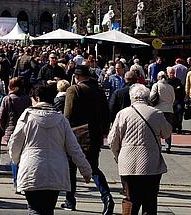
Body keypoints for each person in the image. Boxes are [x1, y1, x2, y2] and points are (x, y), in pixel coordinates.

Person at [8, 82, 92, 215]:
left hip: (32, 168)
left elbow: (15, 143)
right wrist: (86, 170)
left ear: (37, 98)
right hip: (56, 170)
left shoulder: (27, 117)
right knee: (48, 209)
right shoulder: (61, 120)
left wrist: (16, 160)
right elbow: (74, 148)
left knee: (34, 208)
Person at [108, 84, 172, 214]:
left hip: (127, 162)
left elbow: (112, 140)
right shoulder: (156, 113)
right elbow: (167, 133)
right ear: (147, 97)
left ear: (132, 97)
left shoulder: (123, 113)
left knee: (130, 198)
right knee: (150, 199)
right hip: (151, 163)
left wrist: (117, 155)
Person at [63, 64, 114, 214]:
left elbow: (68, 115)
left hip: (76, 135)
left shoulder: (74, 90)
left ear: (76, 76)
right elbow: (106, 113)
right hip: (95, 135)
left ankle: (70, 200)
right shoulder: (98, 91)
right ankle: (107, 197)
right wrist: (103, 132)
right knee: (93, 168)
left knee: (71, 169)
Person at [0, 76, 31, 189]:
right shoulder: (27, 99)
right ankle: (23, 179)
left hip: (11, 130)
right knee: (23, 156)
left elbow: (1, 117)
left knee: (14, 157)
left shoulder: (7, 99)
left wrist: (4, 129)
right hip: (25, 129)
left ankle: (16, 180)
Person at [149, 71, 176, 153]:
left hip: (158, 109)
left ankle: (158, 145)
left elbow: (151, 97)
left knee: (157, 128)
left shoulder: (156, 85)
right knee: (168, 128)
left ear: (158, 77)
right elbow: (173, 99)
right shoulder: (170, 87)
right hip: (169, 109)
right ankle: (168, 146)